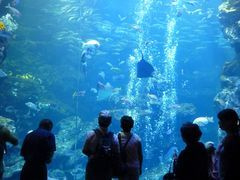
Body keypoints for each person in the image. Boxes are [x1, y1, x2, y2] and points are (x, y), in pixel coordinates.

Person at [82, 110, 119, 180]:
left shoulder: (91, 134)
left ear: (98, 121)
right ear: (110, 122)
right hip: (107, 169)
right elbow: (117, 154)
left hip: (92, 169)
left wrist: (93, 155)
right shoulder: (114, 137)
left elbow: (84, 150)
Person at [216, 108, 240, 180]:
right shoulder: (229, 137)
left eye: (221, 120)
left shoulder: (234, 140)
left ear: (229, 121)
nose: (219, 123)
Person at [117, 115, 143, 180]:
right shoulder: (137, 139)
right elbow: (140, 155)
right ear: (132, 125)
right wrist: (140, 168)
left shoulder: (116, 137)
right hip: (134, 168)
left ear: (121, 125)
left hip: (122, 168)